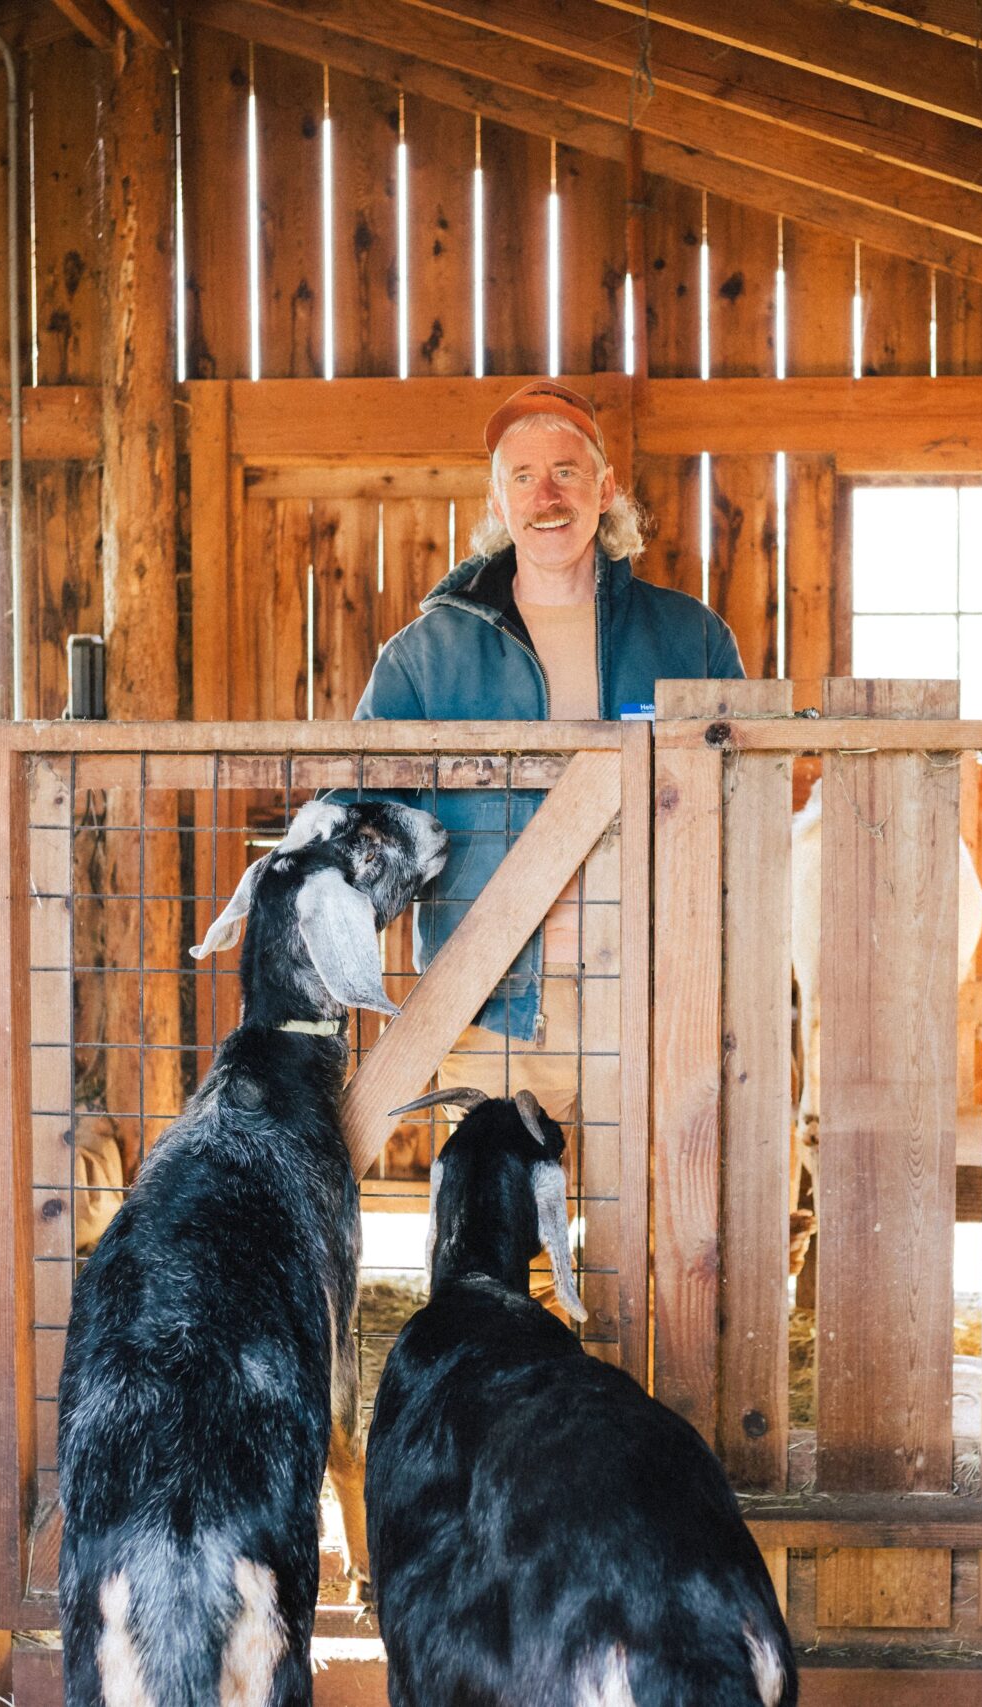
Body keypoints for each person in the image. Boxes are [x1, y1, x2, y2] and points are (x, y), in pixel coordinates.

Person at [354, 380, 742, 1296]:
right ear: (497, 501)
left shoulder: (688, 638)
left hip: (647, 997)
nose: (546, 494)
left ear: (605, 489)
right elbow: (363, 809)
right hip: (491, 1003)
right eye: (522, 476)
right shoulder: (427, 654)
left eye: (566, 471)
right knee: (489, 1256)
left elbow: (741, 807)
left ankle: (623, 1428)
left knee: (646, 1253)